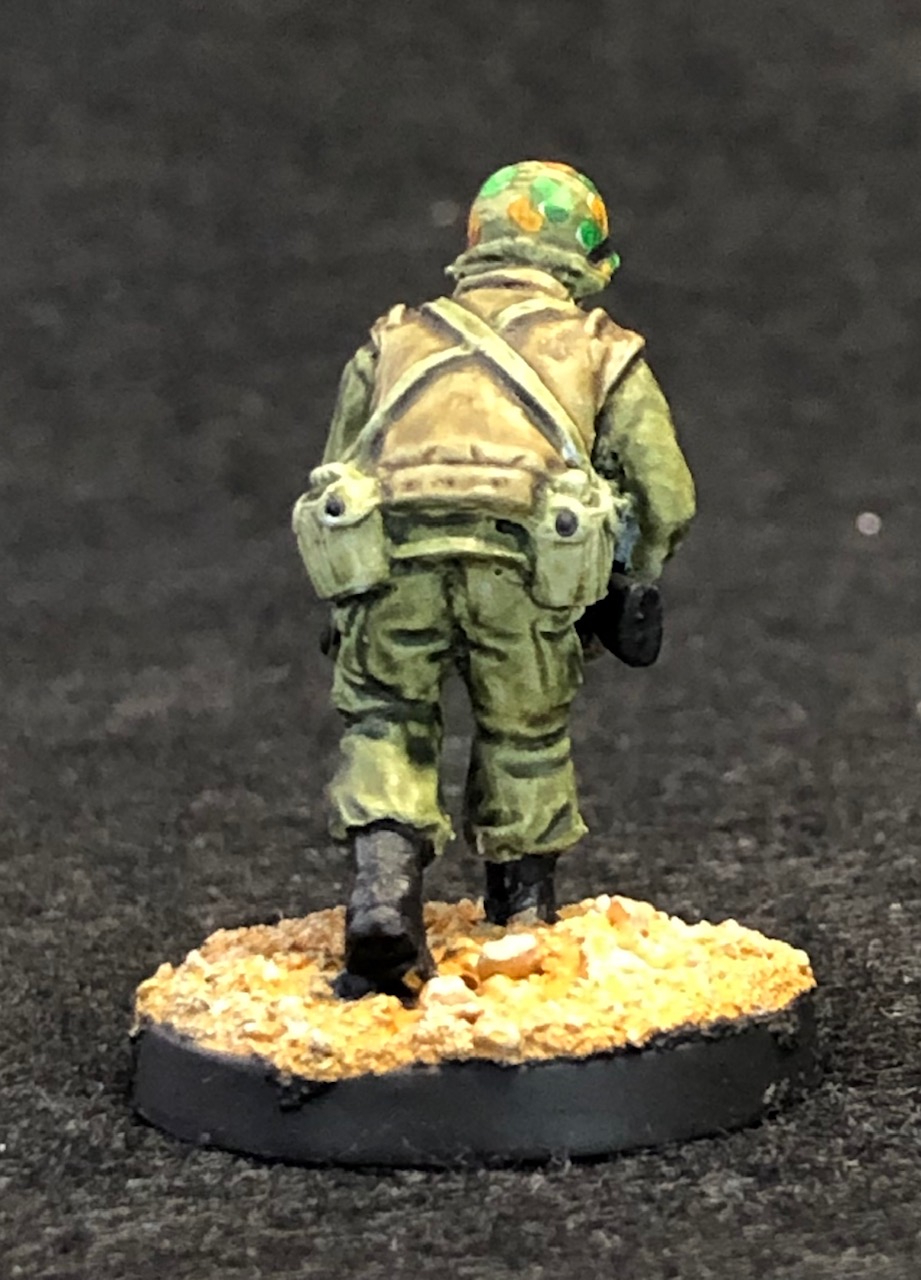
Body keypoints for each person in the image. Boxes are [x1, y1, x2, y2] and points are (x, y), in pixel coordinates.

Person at [293, 160, 696, 996]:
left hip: (389, 568)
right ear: (589, 258)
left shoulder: (392, 339)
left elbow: (338, 467)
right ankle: (521, 918)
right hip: (526, 574)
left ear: (475, 242)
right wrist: (623, 583)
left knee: (385, 723)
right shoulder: (601, 351)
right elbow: (666, 496)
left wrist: (346, 593)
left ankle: (382, 900)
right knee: (525, 736)